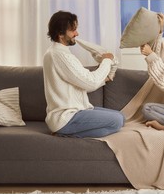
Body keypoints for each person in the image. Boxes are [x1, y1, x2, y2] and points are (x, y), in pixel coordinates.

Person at [43, 10, 125, 138]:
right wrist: (106, 61)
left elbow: (79, 81)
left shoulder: (59, 53)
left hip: (76, 111)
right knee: (117, 121)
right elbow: (90, 83)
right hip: (66, 118)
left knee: (121, 118)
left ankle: (66, 132)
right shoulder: (59, 55)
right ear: (60, 34)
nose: (77, 33)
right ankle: (65, 134)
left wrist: (104, 79)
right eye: (73, 30)